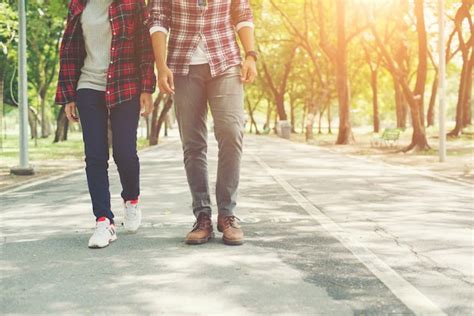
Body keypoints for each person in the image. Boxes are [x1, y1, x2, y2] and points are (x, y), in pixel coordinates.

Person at [148, 0, 257, 245]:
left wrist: (251, 54)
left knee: (231, 131)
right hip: (182, 63)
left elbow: (241, 10)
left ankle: (227, 214)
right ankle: (203, 215)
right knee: (193, 143)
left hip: (225, 59)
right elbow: (158, 18)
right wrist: (160, 64)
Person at [55, 0, 156, 248]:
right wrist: (68, 95)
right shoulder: (79, 4)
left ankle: (131, 199)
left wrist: (147, 88)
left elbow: (145, 47)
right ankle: (104, 221)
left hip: (125, 85)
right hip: (89, 85)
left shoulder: (132, 3)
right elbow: (69, 49)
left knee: (125, 153)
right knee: (95, 156)